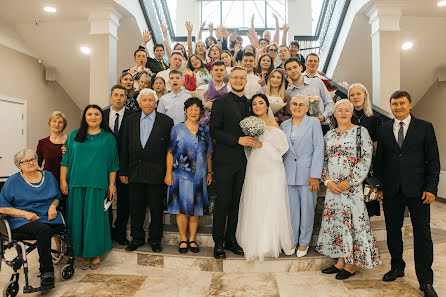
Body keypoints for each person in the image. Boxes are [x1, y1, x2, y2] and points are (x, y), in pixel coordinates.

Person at [375, 91, 440, 297]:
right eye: (394, 104)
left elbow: (433, 161)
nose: (398, 107)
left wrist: (431, 188)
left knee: (423, 235)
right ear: (391, 106)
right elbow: (380, 162)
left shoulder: (425, 127)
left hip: (419, 190)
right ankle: (397, 267)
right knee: (393, 231)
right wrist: (380, 187)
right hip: (392, 190)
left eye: (402, 103)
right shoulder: (383, 129)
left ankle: (426, 280)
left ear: (410, 104)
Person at [317, 99, 381, 279]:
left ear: (352, 113)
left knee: (351, 224)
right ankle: (339, 262)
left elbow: (366, 158)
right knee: (336, 223)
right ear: (334, 114)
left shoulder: (361, 132)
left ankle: (351, 265)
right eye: (340, 110)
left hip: (351, 189)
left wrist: (350, 181)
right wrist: (328, 181)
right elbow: (323, 159)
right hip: (333, 189)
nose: (343, 113)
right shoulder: (329, 135)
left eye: (347, 110)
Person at [236, 94, 295, 261]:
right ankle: (254, 241)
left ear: (267, 106)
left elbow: (282, 149)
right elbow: (248, 148)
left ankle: (270, 242)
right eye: (254, 104)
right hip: (255, 167)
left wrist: (263, 145)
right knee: (255, 200)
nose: (257, 106)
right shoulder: (250, 124)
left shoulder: (274, 124)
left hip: (272, 169)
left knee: (270, 202)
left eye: (261, 103)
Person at [60, 105, 119, 269]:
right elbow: (66, 160)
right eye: (90, 114)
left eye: (97, 114)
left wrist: (112, 184)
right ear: (85, 117)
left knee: (95, 220)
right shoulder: (74, 135)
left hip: (98, 184)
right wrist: (63, 181)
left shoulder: (108, 138)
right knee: (77, 219)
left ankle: (94, 252)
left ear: (102, 117)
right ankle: (81, 252)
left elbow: (114, 164)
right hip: (77, 184)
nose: (93, 117)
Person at [119, 89, 174, 253]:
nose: (148, 103)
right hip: (135, 171)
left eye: (151, 100)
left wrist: (167, 173)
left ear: (156, 102)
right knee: (136, 208)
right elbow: (123, 147)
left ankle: (155, 239)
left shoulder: (166, 121)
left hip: (157, 172)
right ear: (139, 102)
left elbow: (169, 149)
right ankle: (137, 238)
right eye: (145, 100)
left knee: (156, 209)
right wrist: (123, 171)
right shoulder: (129, 120)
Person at [0, 149, 64, 287]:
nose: (30, 163)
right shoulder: (12, 181)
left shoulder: (49, 176)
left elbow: (57, 197)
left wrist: (53, 206)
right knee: (43, 230)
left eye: (33, 159)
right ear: (19, 165)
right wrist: (25, 214)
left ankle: (49, 266)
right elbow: (3, 207)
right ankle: (47, 272)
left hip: (48, 216)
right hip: (23, 220)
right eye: (26, 161)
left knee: (46, 228)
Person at [209, 66, 255, 259]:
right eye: (235, 77)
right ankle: (218, 243)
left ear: (246, 81)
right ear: (229, 81)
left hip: (246, 162)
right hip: (225, 160)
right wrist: (237, 140)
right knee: (223, 202)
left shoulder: (252, 104)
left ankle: (232, 240)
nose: (238, 80)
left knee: (237, 203)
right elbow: (214, 131)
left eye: (241, 78)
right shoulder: (220, 103)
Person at [165, 98, 213, 254]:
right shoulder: (176, 129)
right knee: (181, 208)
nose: (193, 112)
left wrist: (210, 172)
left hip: (199, 175)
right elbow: (170, 153)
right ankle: (183, 239)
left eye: (196, 109)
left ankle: (192, 239)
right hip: (179, 176)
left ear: (201, 112)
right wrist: (168, 174)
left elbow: (209, 154)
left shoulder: (205, 130)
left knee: (196, 209)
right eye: (190, 109)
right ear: (185, 111)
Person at [281, 96, 324, 257]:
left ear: (307, 108)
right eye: (294, 104)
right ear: (289, 106)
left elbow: (319, 148)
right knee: (291, 210)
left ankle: (304, 242)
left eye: (301, 105)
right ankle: (292, 239)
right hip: (288, 173)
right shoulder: (284, 125)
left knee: (307, 210)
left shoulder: (313, 123)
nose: (297, 107)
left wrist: (315, 175)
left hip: (308, 175)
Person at [102, 85, 135, 245]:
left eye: (122, 95)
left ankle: (120, 233)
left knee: (123, 203)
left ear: (126, 98)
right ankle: (106, 232)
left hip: (124, 166)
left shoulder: (133, 116)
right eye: (116, 95)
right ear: (111, 96)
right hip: (103, 166)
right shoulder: (101, 114)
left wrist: (126, 169)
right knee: (103, 202)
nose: (119, 98)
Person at [348, 83, 383, 217]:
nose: (355, 97)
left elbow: (376, 148)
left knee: (366, 209)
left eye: (358, 94)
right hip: (349, 168)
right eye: (352, 94)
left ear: (365, 96)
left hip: (368, 170)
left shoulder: (374, 119)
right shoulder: (346, 117)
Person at [284, 58, 334, 134]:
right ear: (286, 73)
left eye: (295, 67)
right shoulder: (288, 93)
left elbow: (329, 103)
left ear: (301, 68)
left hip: (322, 126)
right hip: (302, 130)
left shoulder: (317, 82)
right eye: (289, 69)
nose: (293, 71)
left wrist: (323, 117)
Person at [36, 111, 68, 186]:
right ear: (49, 123)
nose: (57, 124)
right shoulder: (42, 142)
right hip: (48, 182)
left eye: (60, 122)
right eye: (54, 121)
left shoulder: (70, 141)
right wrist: (43, 177)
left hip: (67, 181)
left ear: (64, 125)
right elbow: (37, 164)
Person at [198, 60, 229, 125]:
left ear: (225, 73)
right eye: (216, 70)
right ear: (211, 72)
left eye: (221, 70)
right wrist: (205, 105)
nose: (219, 72)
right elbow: (196, 108)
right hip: (205, 124)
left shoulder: (230, 90)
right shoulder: (202, 88)